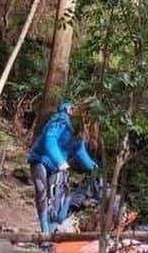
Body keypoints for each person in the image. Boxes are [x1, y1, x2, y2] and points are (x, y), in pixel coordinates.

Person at [28, 101, 98, 235]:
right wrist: (60, 161)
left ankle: (53, 230)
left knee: (57, 198)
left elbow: (79, 151)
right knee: (42, 193)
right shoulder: (61, 120)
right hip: (41, 160)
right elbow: (50, 139)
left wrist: (93, 168)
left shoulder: (79, 132)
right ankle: (45, 231)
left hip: (57, 167)